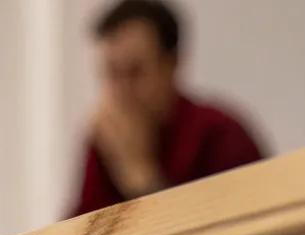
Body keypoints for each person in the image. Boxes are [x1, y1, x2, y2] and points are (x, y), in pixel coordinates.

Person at [71, 1, 264, 218]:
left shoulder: (221, 134)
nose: (122, 90)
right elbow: (79, 234)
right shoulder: (106, 138)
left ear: (172, 65)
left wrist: (139, 174)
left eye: (135, 72)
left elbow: (231, 234)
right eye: (112, 73)